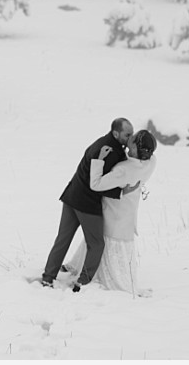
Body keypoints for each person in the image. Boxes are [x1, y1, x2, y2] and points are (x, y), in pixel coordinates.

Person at [40, 117, 134, 290]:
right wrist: (120, 192)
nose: (131, 138)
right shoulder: (110, 151)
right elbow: (98, 184)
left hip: (71, 196)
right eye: (128, 134)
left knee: (63, 239)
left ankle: (48, 277)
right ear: (116, 133)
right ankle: (82, 281)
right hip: (86, 204)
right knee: (97, 244)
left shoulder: (103, 143)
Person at [65, 129, 158, 296]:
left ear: (136, 149)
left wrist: (99, 161)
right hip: (128, 214)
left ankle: (92, 275)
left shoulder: (123, 169)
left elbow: (97, 184)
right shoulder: (151, 162)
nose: (130, 138)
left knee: (101, 242)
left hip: (113, 212)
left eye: (133, 138)